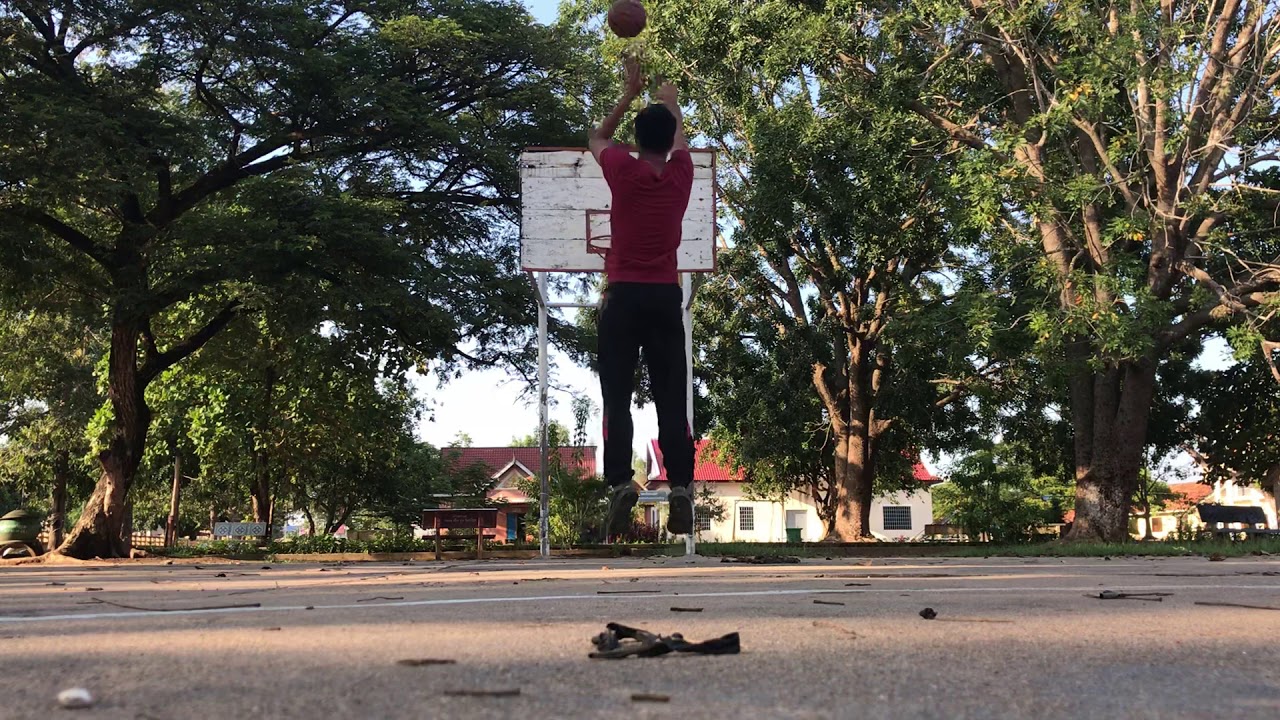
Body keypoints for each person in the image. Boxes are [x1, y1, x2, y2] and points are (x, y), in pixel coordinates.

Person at [587, 58, 696, 539]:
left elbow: (596, 138)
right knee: (672, 398)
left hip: (623, 297)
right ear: (668, 138)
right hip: (664, 297)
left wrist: (629, 92)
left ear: (636, 140)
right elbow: (681, 140)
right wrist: (669, 99)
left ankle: (619, 484)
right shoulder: (681, 177)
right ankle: (681, 488)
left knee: (616, 396)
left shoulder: (622, 172)